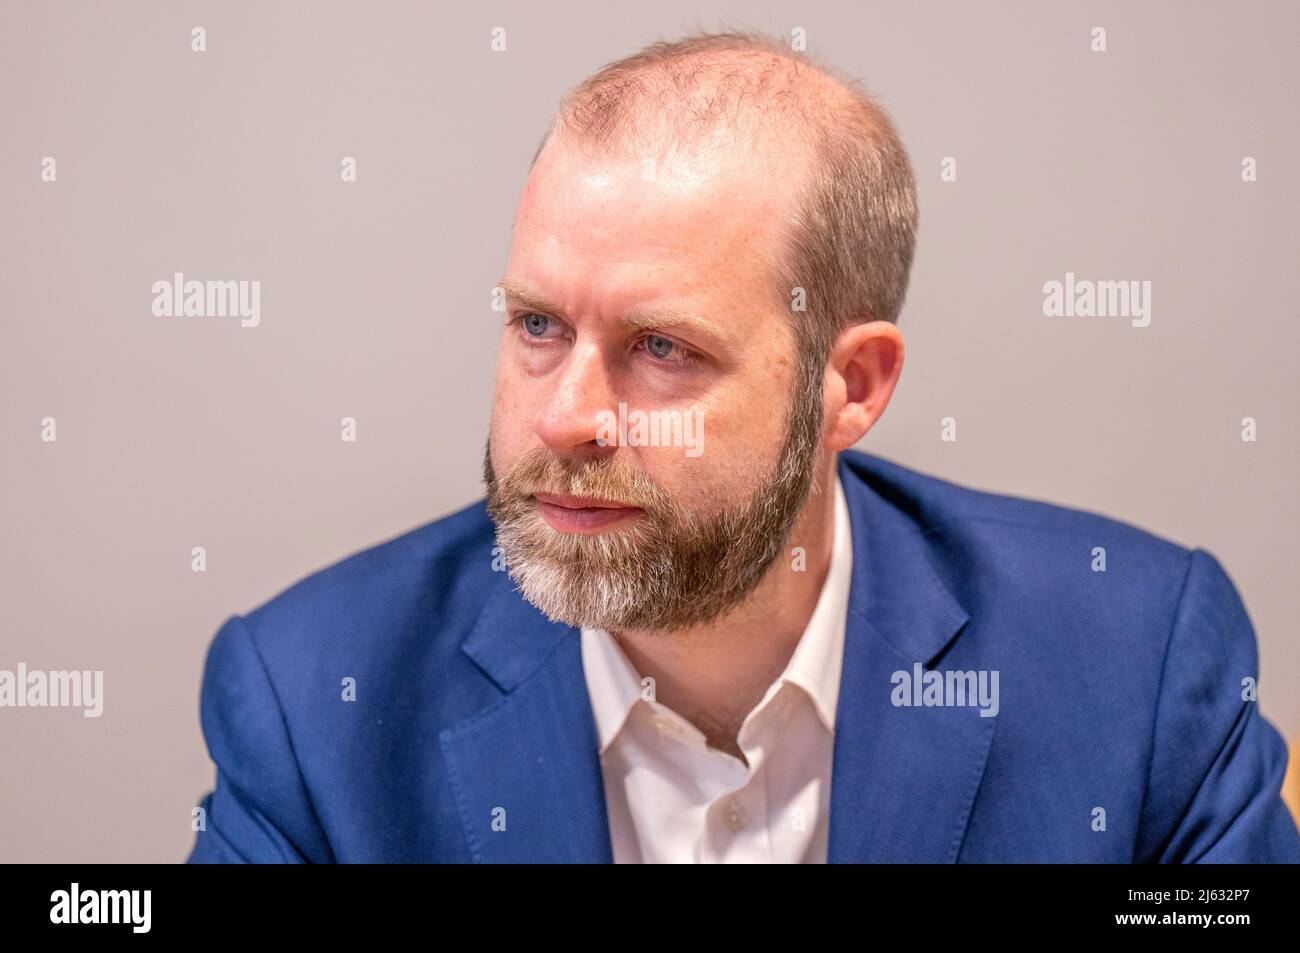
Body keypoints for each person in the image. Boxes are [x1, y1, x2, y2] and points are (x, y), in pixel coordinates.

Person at [187, 31, 1300, 863]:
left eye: (660, 346)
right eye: (536, 324)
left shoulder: (1133, 663)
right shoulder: (313, 703)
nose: (568, 415)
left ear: (849, 386)